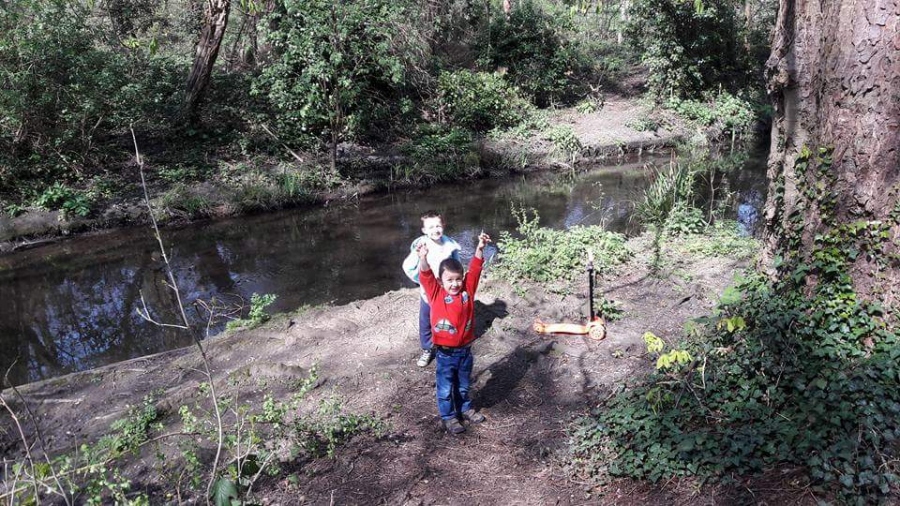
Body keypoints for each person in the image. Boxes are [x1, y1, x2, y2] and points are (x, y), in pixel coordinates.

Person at [416, 230, 491, 434]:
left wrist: (479, 248)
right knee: (444, 388)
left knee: (464, 384)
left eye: (458, 279)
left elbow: (474, 270)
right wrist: (423, 257)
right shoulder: (435, 294)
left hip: (465, 352)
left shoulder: (467, 291)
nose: (455, 284)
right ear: (441, 281)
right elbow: (425, 275)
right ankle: (449, 416)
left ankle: (465, 408)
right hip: (445, 354)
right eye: (449, 280)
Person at [402, 211, 461, 367]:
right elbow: (407, 267)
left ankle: (448, 343)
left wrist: (457, 280)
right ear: (424, 230)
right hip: (428, 293)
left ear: (443, 226)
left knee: (448, 318)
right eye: (431, 227)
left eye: (438, 225)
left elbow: (457, 266)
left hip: (446, 292)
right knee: (426, 321)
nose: (435, 229)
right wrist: (421, 280)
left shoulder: (450, 245)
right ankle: (428, 349)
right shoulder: (422, 246)